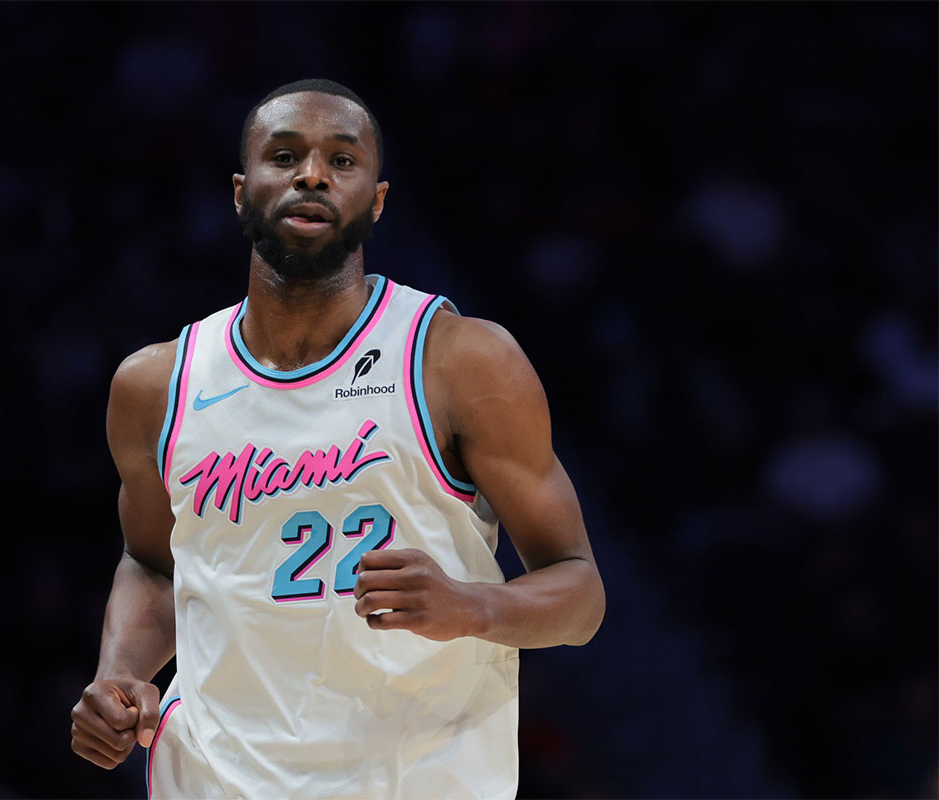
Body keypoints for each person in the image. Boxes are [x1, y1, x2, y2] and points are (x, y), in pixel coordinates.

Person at [70, 78, 605, 799]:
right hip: (214, 780)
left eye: (342, 160)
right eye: (284, 155)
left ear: (377, 201)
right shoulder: (155, 385)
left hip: (416, 779)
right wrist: (120, 674)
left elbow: (580, 593)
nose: (312, 173)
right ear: (240, 189)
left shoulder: (458, 360)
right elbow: (153, 563)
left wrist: (472, 605)